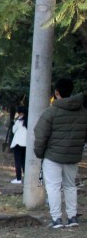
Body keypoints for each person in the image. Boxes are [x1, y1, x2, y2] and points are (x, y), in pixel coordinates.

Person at [33, 78, 87, 228]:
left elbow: (40, 135)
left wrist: (40, 153)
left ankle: (56, 219)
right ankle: (72, 218)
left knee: (53, 187)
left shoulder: (51, 112)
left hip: (52, 156)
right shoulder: (83, 112)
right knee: (70, 186)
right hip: (73, 157)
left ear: (56, 93)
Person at [9, 106, 28, 185]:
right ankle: (26, 178)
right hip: (26, 144)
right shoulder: (29, 121)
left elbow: (13, 130)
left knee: (18, 161)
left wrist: (14, 121)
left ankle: (18, 178)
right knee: (24, 161)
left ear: (21, 113)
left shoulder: (18, 121)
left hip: (18, 143)